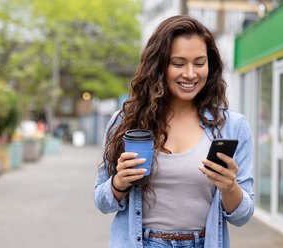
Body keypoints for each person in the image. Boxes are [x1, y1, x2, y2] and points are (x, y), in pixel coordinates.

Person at [94, 15, 254, 248]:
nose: (190, 74)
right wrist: (119, 183)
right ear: (159, 66)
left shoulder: (233, 126)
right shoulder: (126, 122)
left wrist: (230, 187)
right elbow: (102, 201)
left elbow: (242, 216)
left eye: (199, 63)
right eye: (178, 64)